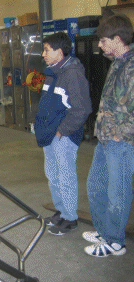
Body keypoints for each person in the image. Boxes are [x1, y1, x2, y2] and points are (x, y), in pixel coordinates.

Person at [83, 14, 134, 257]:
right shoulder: (117, 62)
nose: (100, 46)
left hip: (122, 142)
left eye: (103, 41)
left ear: (117, 39)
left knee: (118, 193)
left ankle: (115, 242)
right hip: (105, 138)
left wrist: (120, 134)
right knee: (95, 185)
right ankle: (105, 230)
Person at [34, 32, 92, 235]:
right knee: (53, 175)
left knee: (65, 175)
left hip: (63, 136)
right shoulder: (52, 72)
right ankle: (61, 211)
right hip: (51, 135)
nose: (43, 54)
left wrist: (62, 132)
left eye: (47, 50)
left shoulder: (73, 74)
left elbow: (82, 109)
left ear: (60, 52)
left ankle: (70, 218)